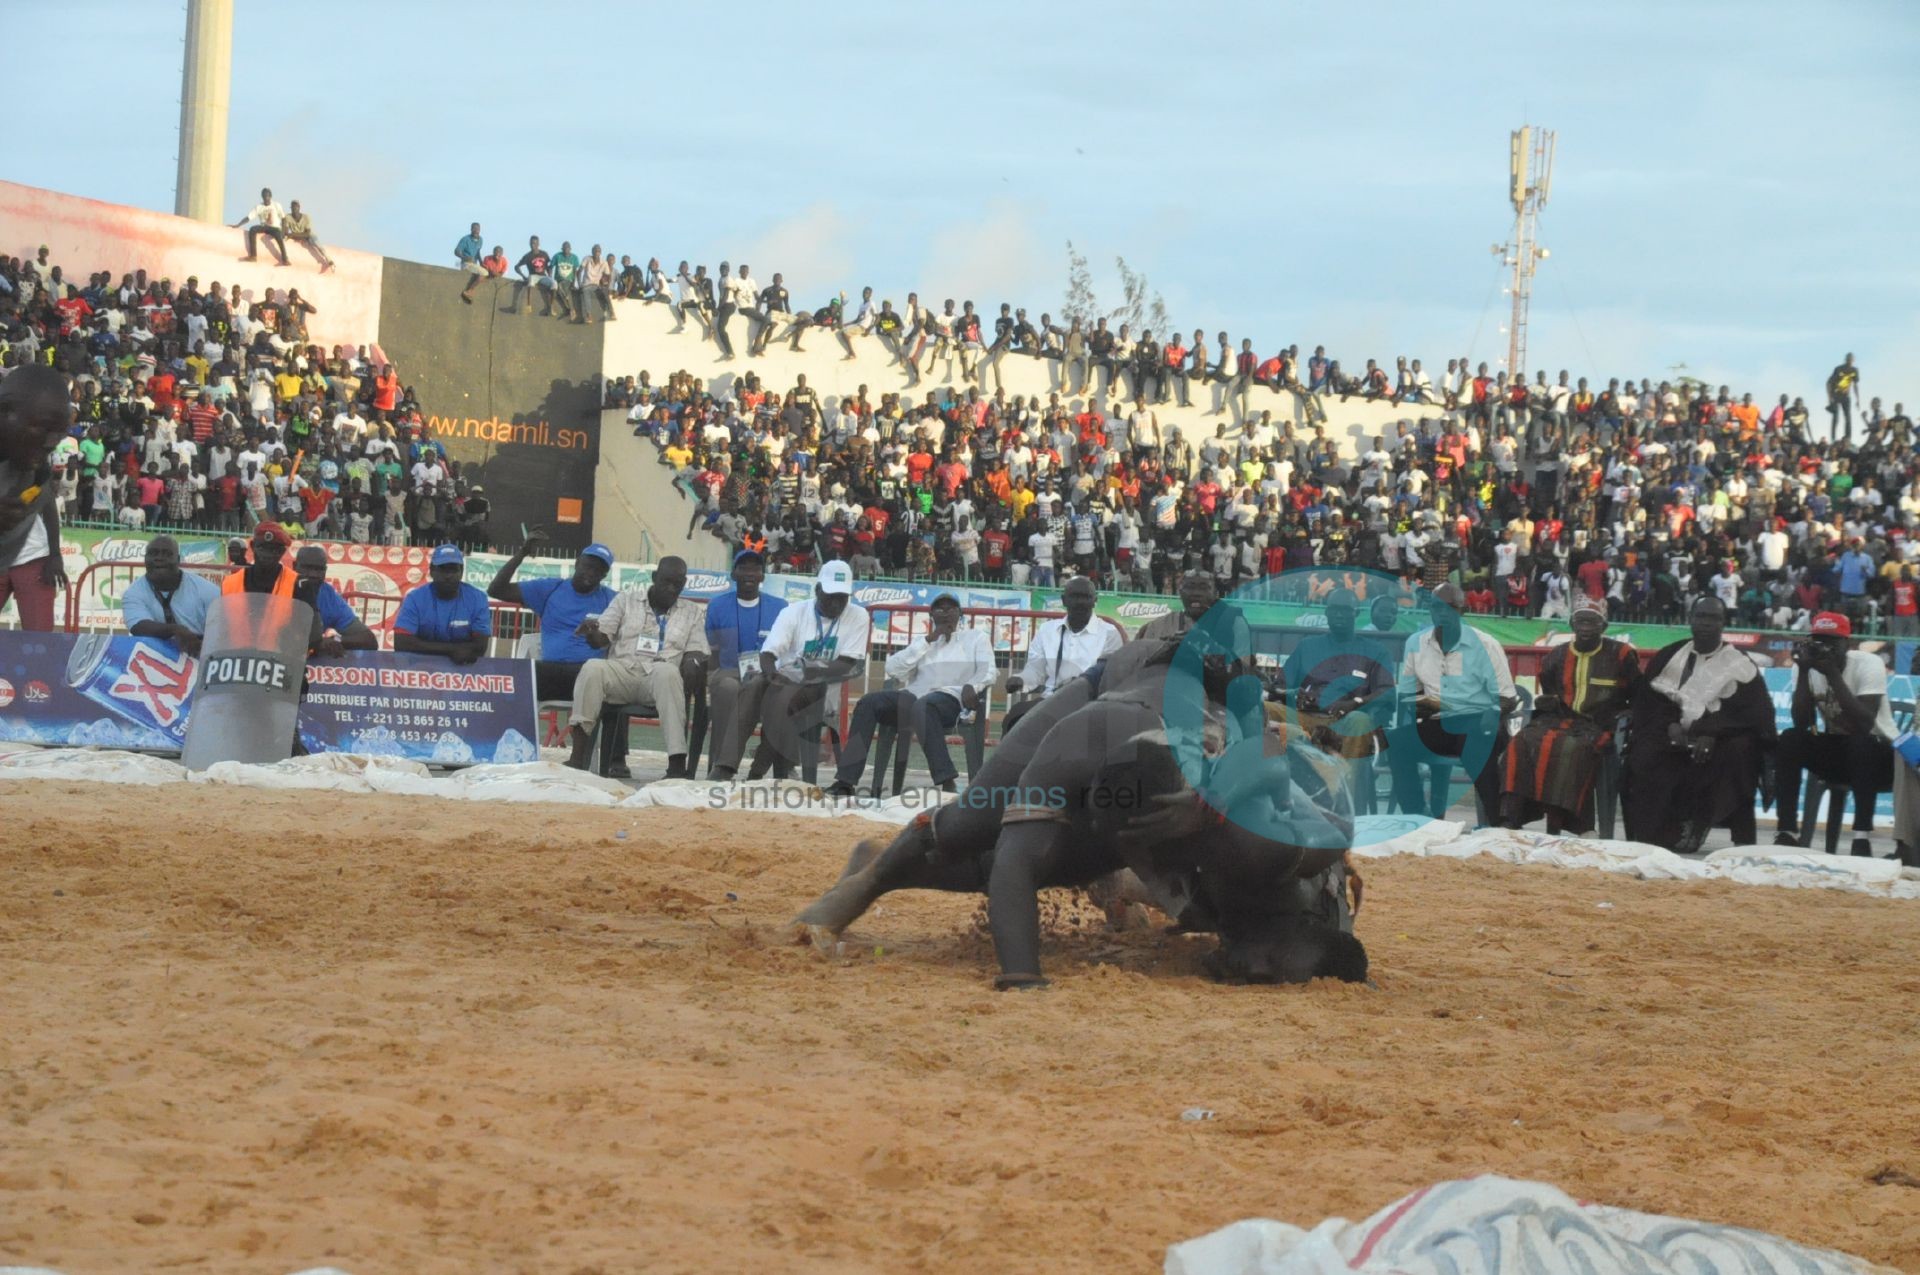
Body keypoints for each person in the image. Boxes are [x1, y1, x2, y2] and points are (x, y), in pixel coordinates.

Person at [1623, 596, 1774, 853]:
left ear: (1724, 623)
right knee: (1644, 753)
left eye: (1713, 618)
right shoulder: (1670, 655)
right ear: (1690, 619)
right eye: (1700, 616)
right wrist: (1670, 724)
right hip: (1670, 736)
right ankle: (1651, 836)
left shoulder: (1739, 663)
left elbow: (1754, 714)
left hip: (1720, 740)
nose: (1706, 623)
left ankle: (1706, 827)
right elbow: (1648, 703)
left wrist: (1709, 732)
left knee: (1739, 751)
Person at [827, 593, 993, 796]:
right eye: (940, 609)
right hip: (914, 697)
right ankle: (845, 781)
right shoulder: (923, 642)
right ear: (932, 615)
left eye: (951, 609)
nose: (946, 613)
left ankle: (946, 780)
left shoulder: (976, 638)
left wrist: (974, 686)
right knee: (868, 702)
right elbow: (893, 668)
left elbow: (988, 670)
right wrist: (928, 640)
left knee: (925, 705)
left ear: (960, 614)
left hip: (952, 699)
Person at [1499, 600, 1640, 833]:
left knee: (1569, 749)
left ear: (1603, 627)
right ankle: (1510, 818)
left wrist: (1624, 715)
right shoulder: (1557, 655)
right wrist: (1547, 701)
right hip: (1558, 719)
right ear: (1572, 625)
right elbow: (1550, 692)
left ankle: (1576, 825)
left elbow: (1636, 694)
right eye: (1580, 622)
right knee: (1520, 744)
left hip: (1599, 724)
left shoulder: (1621, 654)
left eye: (1592, 622)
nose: (1585, 627)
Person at [563, 555, 708, 778]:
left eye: (677, 584)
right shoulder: (626, 600)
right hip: (623, 671)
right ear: (654, 578)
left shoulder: (693, 612)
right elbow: (602, 639)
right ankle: (578, 756)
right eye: (666, 582)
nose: (671, 589)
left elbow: (697, 649)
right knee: (592, 667)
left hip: (660, 678)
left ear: (684, 584)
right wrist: (592, 633)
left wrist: (692, 661)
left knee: (668, 672)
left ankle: (676, 764)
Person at [1386, 583, 1518, 821]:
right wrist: (1421, 704)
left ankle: (1498, 822)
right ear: (1430, 610)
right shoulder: (1416, 643)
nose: (1443, 613)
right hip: (1438, 721)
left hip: (1476, 721)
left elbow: (1508, 697)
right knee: (1395, 742)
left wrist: (1494, 711)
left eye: (1451, 608)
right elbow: (1406, 694)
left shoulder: (1486, 645)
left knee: (1478, 743)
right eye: (1437, 608)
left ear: (1462, 610)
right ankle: (1417, 816)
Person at [1772, 611, 1894, 855]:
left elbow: (1864, 724)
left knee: (1861, 743)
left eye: (1831, 643)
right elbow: (1801, 722)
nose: (1824, 648)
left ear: (1847, 645)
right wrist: (1805, 672)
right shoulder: (1807, 666)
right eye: (1819, 642)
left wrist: (1834, 675)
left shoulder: (1869, 664)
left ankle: (1861, 838)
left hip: (1883, 754)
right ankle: (1787, 831)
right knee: (1790, 739)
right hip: (1842, 751)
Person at [749, 561, 872, 781]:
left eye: (842, 598)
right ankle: (781, 764)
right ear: (817, 591)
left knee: (783, 699)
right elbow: (768, 654)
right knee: (772, 692)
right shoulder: (794, 612)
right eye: (830, 596)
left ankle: (759, 767)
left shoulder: (858, 615)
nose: (836, 604)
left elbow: (846, 664)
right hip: (786, 681)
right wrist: (770, 674)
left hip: (824, 688)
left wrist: (812, 670)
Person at [487, 529, 616, 703]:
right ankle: (515, 729)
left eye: (599, 570)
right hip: (551, 672)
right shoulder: (550, 589)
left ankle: (592, 730)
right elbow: (496, 590)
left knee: (612, 687)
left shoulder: (613, 600)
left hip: (590, 674)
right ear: (577, 563)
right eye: (588, 565)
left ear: (605, 575)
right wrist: (522, 553)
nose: (592, 572)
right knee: (515, 678)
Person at [1281, 588, 1395, 765]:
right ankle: (1270, 780)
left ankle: (1348, 784)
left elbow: (1387, 692)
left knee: (1360, 720)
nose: (1339, 615)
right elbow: (1279, 686)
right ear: (1326, 613)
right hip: (1305, 717)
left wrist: (1353, 703)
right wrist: (1295, 693)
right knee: (1266, 709)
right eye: (1334, 609)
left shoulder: (1374, 651)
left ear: (1356, 613)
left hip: (1347, 719)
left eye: (1345, 610)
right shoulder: (1307, 647)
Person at [704, 548, 788, 781]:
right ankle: (721, 764)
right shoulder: (718, 605)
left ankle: (770, 767)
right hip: (729, 672)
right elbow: (712, 650)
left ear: (763, 575)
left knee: (782, 693)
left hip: (765, 674)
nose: (750, 573)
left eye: (755, 569)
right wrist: (711, 679)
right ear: (733, 574)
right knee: (727, 689)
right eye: (744, 568)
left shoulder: (780, 606)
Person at [1002, 576, 1122, 734]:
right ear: (1064, 600)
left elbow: (1110, 677)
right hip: (1051, 700)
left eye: (1085, 597)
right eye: (1075, 596)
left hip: (1089, 704)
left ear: (1095, 600)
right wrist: (1021, 680)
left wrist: (1080, 684)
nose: (1080, 602)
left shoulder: (1109, 633)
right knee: (1015, 716)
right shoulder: (1047, 630)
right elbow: (1035, 670)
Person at [121, 534, 221, 655]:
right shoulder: (133, 593)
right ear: (145, 559)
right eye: (153, 553)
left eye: (167, 554)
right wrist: (176, 630)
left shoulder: (208, 591)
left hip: (201, 657)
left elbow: (222, 633)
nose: (159, 558)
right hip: (153, 660)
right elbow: (139, 627)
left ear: (178, 560)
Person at [392, 544, 492, 666]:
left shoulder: (478, 598)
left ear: (461, 572)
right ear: (432, 571)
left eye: (453, 569)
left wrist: (424, 646)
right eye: (443, 569)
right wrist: (452, 650)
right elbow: (401, 643)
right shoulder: (415, 598)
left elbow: (480, 647)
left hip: (463, 670)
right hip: (419, 669)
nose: (448, 575)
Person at [290, 545, 378, 658]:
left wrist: (335, 640)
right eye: (307, 568)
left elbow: (369, 640)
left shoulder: (328, 595)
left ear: (325, 571)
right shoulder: (281, 585)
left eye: (319, 569)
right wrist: (318, 643)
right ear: (294, 566)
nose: (313, 574)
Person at [223, 520, 298, 597]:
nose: (266, 554)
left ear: (282, 552)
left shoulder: (296, 583)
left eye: (273, 550)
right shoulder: (230, 583)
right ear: (252, 546)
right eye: (261, 548)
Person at [233, 187, 288, 265]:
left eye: (267, 196)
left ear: (270, 196)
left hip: (275, 228)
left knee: (279, 235)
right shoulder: (259, 207)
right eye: (264, 196)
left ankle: (285, 259)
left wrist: (283, 231)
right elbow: (249, 217)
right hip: (264, 227)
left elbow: (283, 218)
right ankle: (253, 256)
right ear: (262, 197)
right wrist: (238, 225)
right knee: (253, 229)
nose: (266, 198)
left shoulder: (276, 205)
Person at [280, 200, 334, 272]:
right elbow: (286, 233)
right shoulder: (288, 217)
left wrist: (292, 235)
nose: (294, 209)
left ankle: (329, 260)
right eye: (292, 207)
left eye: (296, 207)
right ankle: (284, 259)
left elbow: (307, 234)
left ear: (299, 208)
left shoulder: (306, 217)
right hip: (296, 236)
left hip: (306, 236)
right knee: (283, 241)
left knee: (317, 244)